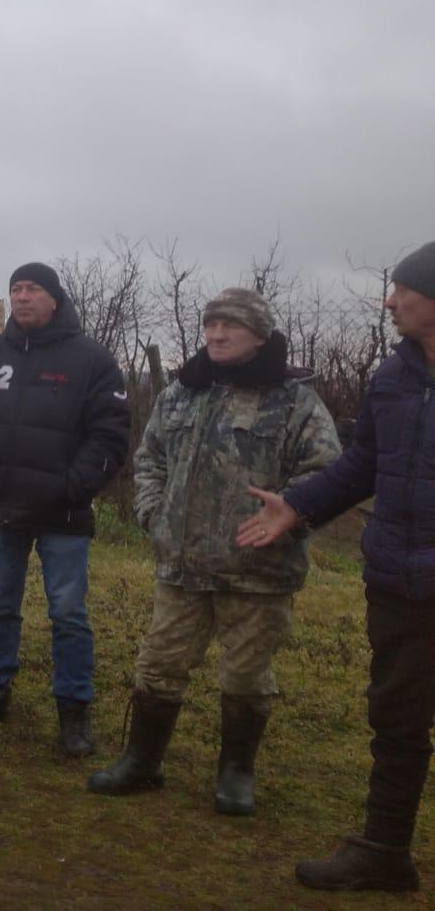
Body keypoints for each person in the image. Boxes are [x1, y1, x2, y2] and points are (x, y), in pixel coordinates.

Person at [88, 287, 339, 811]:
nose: (218, 335)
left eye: (232, 327)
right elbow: (150, 458)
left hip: (258, 569)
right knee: (158, 665)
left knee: (246, 675)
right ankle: (142, 761)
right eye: (211, 326)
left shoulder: (294, 401)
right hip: (181, 565)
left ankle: (236, 775)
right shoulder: (183, 392)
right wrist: (153, 515)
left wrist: (289, 517)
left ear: (260, 335)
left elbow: (327, 475)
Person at [240, 241, 435, 891]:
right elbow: (362, 465)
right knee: (398, 719)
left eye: (403, 289)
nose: (390, 300)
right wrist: (296, 505)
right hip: (400, 581)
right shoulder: (394, 375)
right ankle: (384, 851)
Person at [0, 263, 131, 754]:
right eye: (16, 289)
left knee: (68, 613)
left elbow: (111, 434)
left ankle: (73, 710)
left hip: (61, 514)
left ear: (54, 299)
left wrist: (74, 486)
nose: (23, 297)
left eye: (33, 289)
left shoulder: (92, 360)